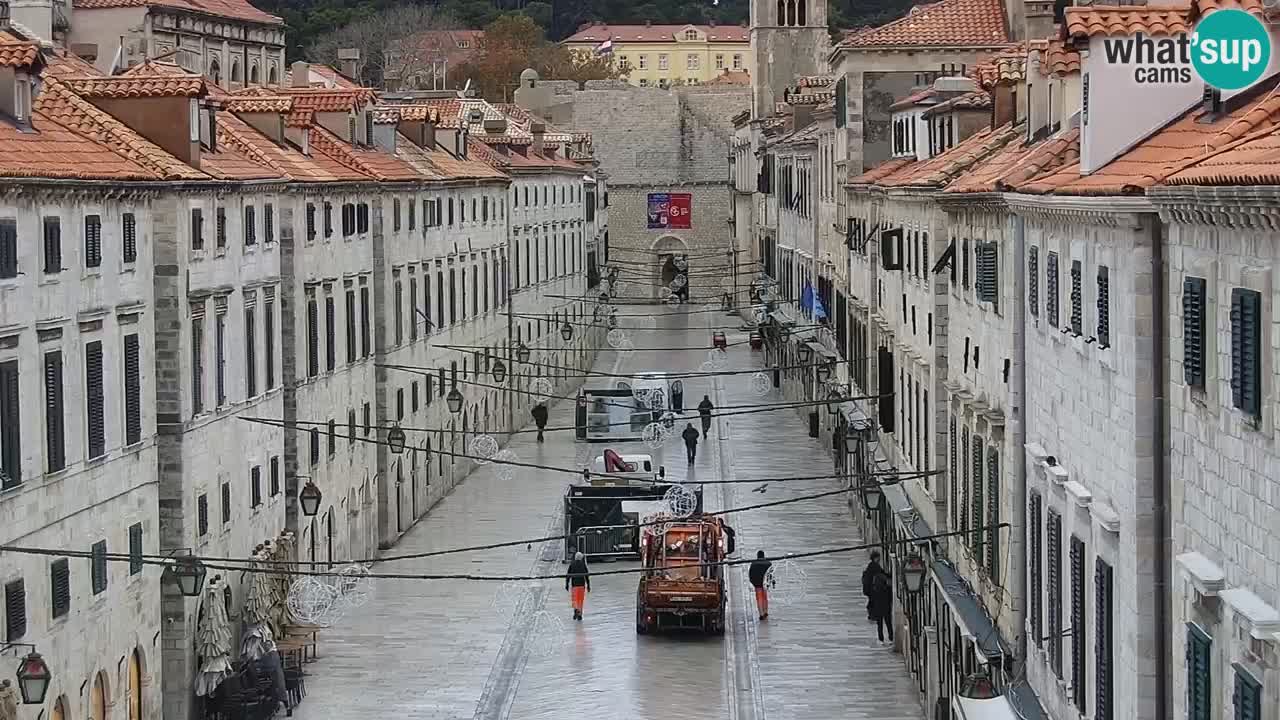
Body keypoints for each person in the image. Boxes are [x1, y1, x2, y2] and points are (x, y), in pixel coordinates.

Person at [865, 553, 894, 644]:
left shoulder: (872, 569)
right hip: (883, 603)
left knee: (880, 622)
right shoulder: (876, 570)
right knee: (887, 621)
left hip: (878, 603)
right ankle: (890, 637)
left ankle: (882, 638)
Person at [861, 549, 887, 621]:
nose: (879, 559)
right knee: (873, 601)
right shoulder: (874, 566)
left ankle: (872, 615)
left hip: (870, 588)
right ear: (875, 558)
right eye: (878, 558)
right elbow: (881, 573)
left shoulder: (871, 565)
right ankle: (873, 615)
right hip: (872, 588)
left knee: (872, 601)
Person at [566, 551, 591, 620]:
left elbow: (568, 575)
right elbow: (586, 575)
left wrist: (567, 584)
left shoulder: (572, 564)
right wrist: (588, 585)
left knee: (575, 599)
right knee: (580, 600)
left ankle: (576, 609)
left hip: (574, 585)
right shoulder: (583, 564)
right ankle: (580, 613)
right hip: (582, 585)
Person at [748, 550, 772, 620]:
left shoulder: (753, 564)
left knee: (759, 599)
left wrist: (753, 582)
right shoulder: (768, 564)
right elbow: (771, 575)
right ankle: (765, 611)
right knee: (765, 598)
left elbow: (751, 574)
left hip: (757, 584)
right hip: (765, 583)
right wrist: (769, 583)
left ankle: (761, 614)